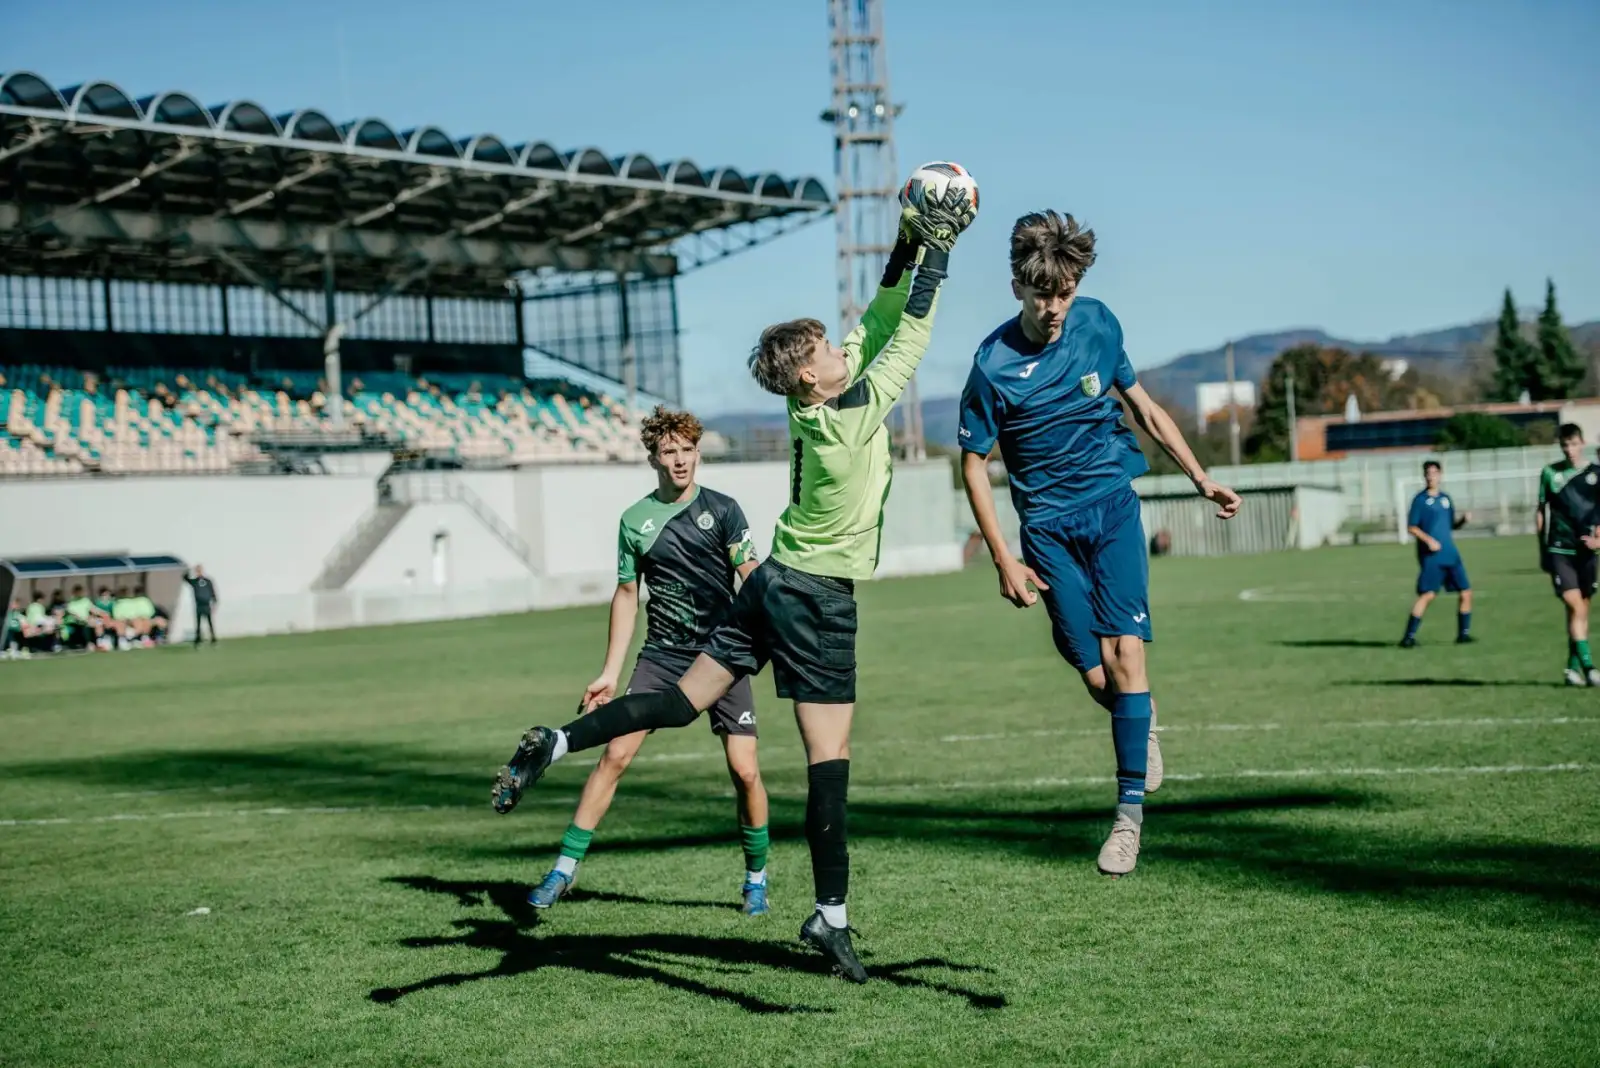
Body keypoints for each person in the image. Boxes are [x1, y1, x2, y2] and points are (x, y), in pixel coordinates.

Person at [490, 187, 975, 982]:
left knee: (681, 704)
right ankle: (831, 916)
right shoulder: (852, 413)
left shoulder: (813, 399)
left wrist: (907, 237)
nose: (840, 349)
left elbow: (880, 318)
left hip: (770, 582)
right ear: (813, 377)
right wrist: (944, 245)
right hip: (816, 598)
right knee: (829, 760)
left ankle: (561, 740)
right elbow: (911, 329)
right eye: (827, 348)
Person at [958, 210, 1241, 879]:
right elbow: (974, 462)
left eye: (1064, 292)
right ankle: (1141, 723)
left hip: (1112, 507)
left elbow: (1143, 407)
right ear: (1015, 288)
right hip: (1047, 530)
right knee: (1095, 673)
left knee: (1124, 656)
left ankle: (1127, 818)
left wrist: (1200, 477)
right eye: (1040, 294)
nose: (1053, 307)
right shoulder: (992, 366)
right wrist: (1003, 556)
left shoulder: (1099, 324)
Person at [525, 405, 771, 916]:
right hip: (661, 655)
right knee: (615, 756)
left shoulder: (724, 509)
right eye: (669, 452)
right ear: (653, 458)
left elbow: (749, 572)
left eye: (687, 450)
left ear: (698, 453)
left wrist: (774, 625)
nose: (680, 461)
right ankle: (562, 871)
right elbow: (625, 594)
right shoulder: (635, 521)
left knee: (744, 771)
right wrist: (610, 672)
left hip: (721, 655)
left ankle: (756, 879)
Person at [1536, 425, 1600, 684]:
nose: (1569, 450)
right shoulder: (1550, 473)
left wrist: (1598, 540)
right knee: (1574, 605)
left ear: (1582, 443)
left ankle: (1571, 669)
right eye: (1565, 445)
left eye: (1573, 444)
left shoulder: (1596, 474)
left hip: (1587, 552)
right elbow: (1540, 511)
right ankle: (1589, 666)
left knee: (1581, 610)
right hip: (1559, 549)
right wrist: (1541, 547)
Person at [1400, 459, 1473, 648]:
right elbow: (1412, 527)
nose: (1431, 476)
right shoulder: (1420, 500)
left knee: (1466, 593)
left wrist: (1463, 521)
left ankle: (1463, 635)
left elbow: (1451, 526)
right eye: (1428, 473)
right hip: (1432, 557)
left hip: (1451, 554)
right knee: (1428, 595)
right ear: (1424, 476)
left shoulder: (1446, 499)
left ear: (1440, 475)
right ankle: (1408, 637)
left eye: (1434, 473)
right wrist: (1429, 541)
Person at [185, 566, 218, 646]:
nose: (198, 572)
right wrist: (189, 571)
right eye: (197, 571)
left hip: (206, 605)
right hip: (199, 605)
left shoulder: (207, 581)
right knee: (198, 623)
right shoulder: (195, 582)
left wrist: (214, 601)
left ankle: (213, 639)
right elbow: (185, 578)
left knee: (210, 622)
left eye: (199, 571)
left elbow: (212, 591)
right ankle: (198, 640)